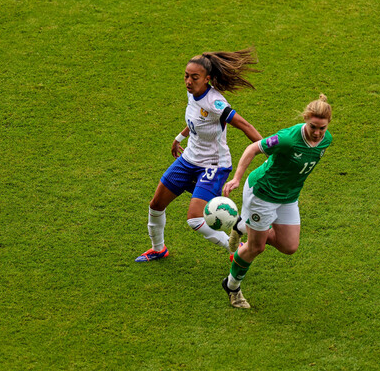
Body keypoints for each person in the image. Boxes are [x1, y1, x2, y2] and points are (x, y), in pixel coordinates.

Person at [135, 49, 263, 262]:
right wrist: (180, 137)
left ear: (207, 79)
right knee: (155, 205)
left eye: (195, 77)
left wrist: (267, 150)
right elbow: (196, 120)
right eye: (186, 76)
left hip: (213, 165)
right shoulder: (192, 93)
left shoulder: (215, 103)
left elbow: (245, 125)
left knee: (195, 219)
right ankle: (158, 249)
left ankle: (237, 248)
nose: (188, 81)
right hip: (188, 160)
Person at [221, 94, 333, 307]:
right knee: (256, 247)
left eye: (322, 128)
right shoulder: (287, 138)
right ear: (305, 119)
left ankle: (242, 225)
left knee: (289, 246)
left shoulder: (326, 140)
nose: (317, 133)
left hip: (289, 197)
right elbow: (253, 148)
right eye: (313, 127)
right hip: (262, 193)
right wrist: (236, 178)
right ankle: (232, 286)